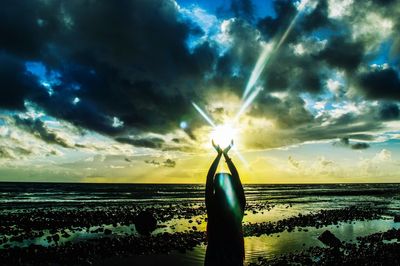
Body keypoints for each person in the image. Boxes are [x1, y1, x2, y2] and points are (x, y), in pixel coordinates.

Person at [204, 140, 246, 266]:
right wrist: (226, 155)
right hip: (234, 253)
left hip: (214, 255)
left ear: (216, 187)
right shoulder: (237, 207)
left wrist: (219, 155)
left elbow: (209, 177)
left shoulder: (212, 206)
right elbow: (237, 178)